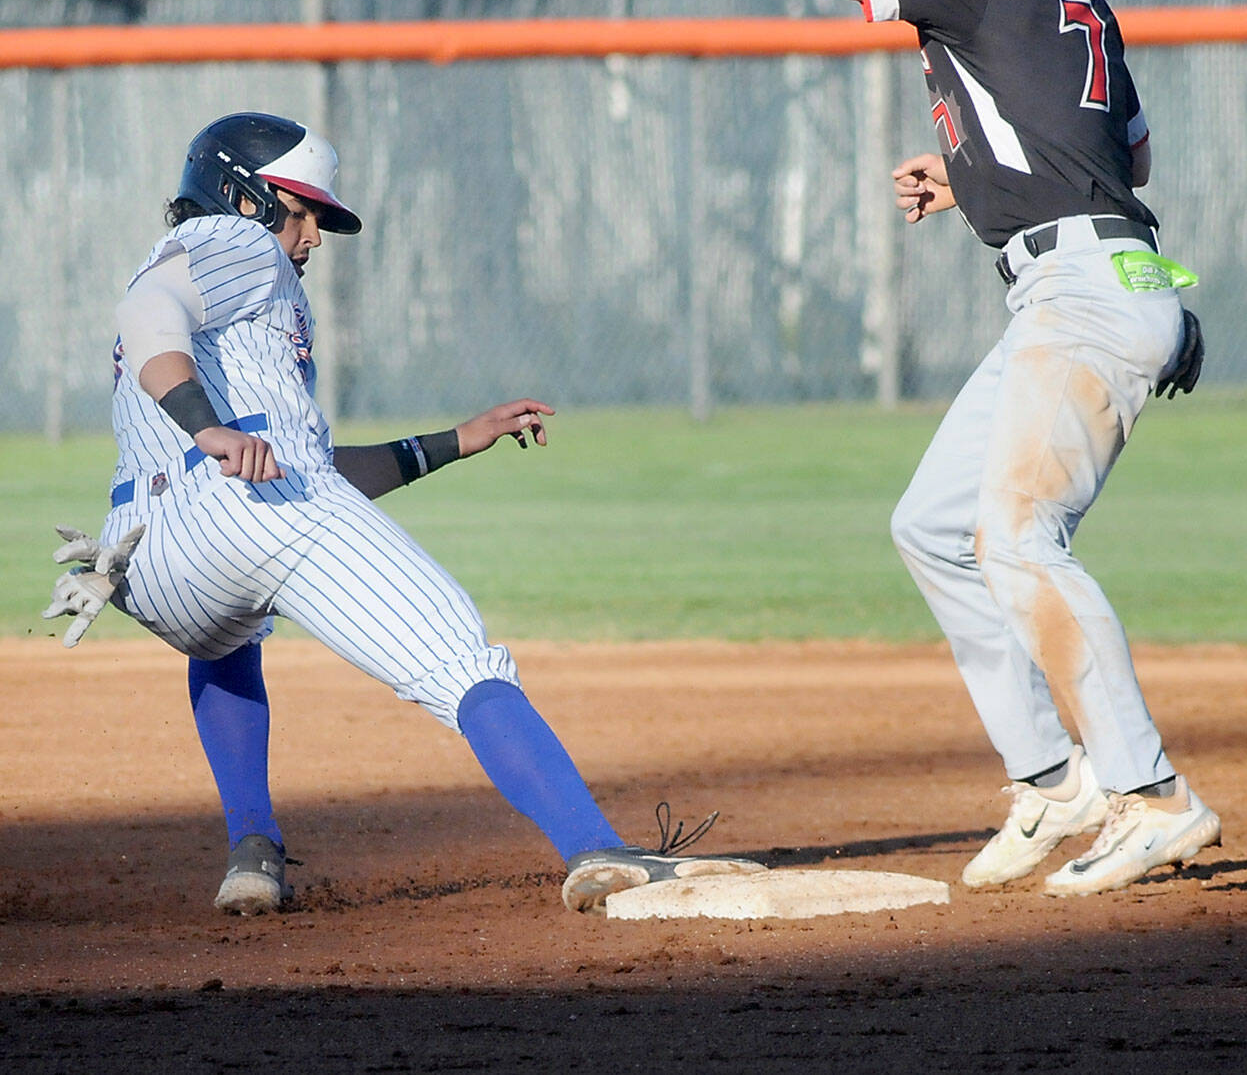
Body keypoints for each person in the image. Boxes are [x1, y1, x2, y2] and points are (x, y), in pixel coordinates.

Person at [519, 0, 1219, 895]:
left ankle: (1150, 794)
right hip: (1089, 278)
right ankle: (1051, 783)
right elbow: (1125, 155)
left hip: (1080, 294)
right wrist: (972, 173)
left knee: (1015, 536)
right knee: (933, 527)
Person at [45, 110, 763, 914]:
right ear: (241, 196)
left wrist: (454, 440)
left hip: (147, 565)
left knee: (230, 634)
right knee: (462, 661)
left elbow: (306, 470)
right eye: (302, 210)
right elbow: (147, 311)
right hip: (241, 506)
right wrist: (206, 423)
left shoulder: (235, 311)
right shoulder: (236, 244)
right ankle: (593, 846)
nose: (313, 234)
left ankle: (252, 850)